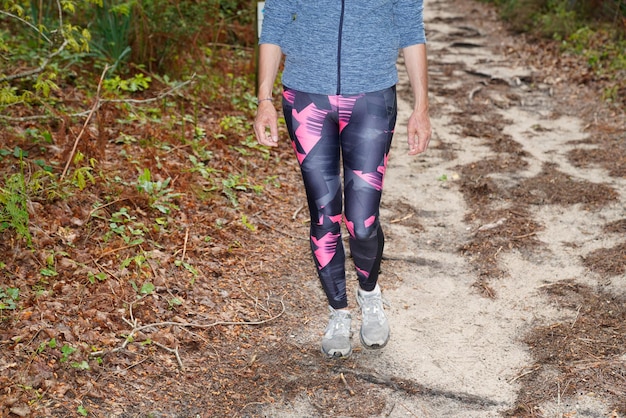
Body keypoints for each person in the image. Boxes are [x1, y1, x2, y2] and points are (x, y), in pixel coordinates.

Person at [253, 0, 431, 358]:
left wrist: (421, 108)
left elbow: (411, 29)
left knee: (362, 222)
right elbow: (273, 23)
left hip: (372, 99)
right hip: (306, 99)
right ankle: (338, 312)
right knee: (323, 214)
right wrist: (264, 99)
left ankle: (370, 294)